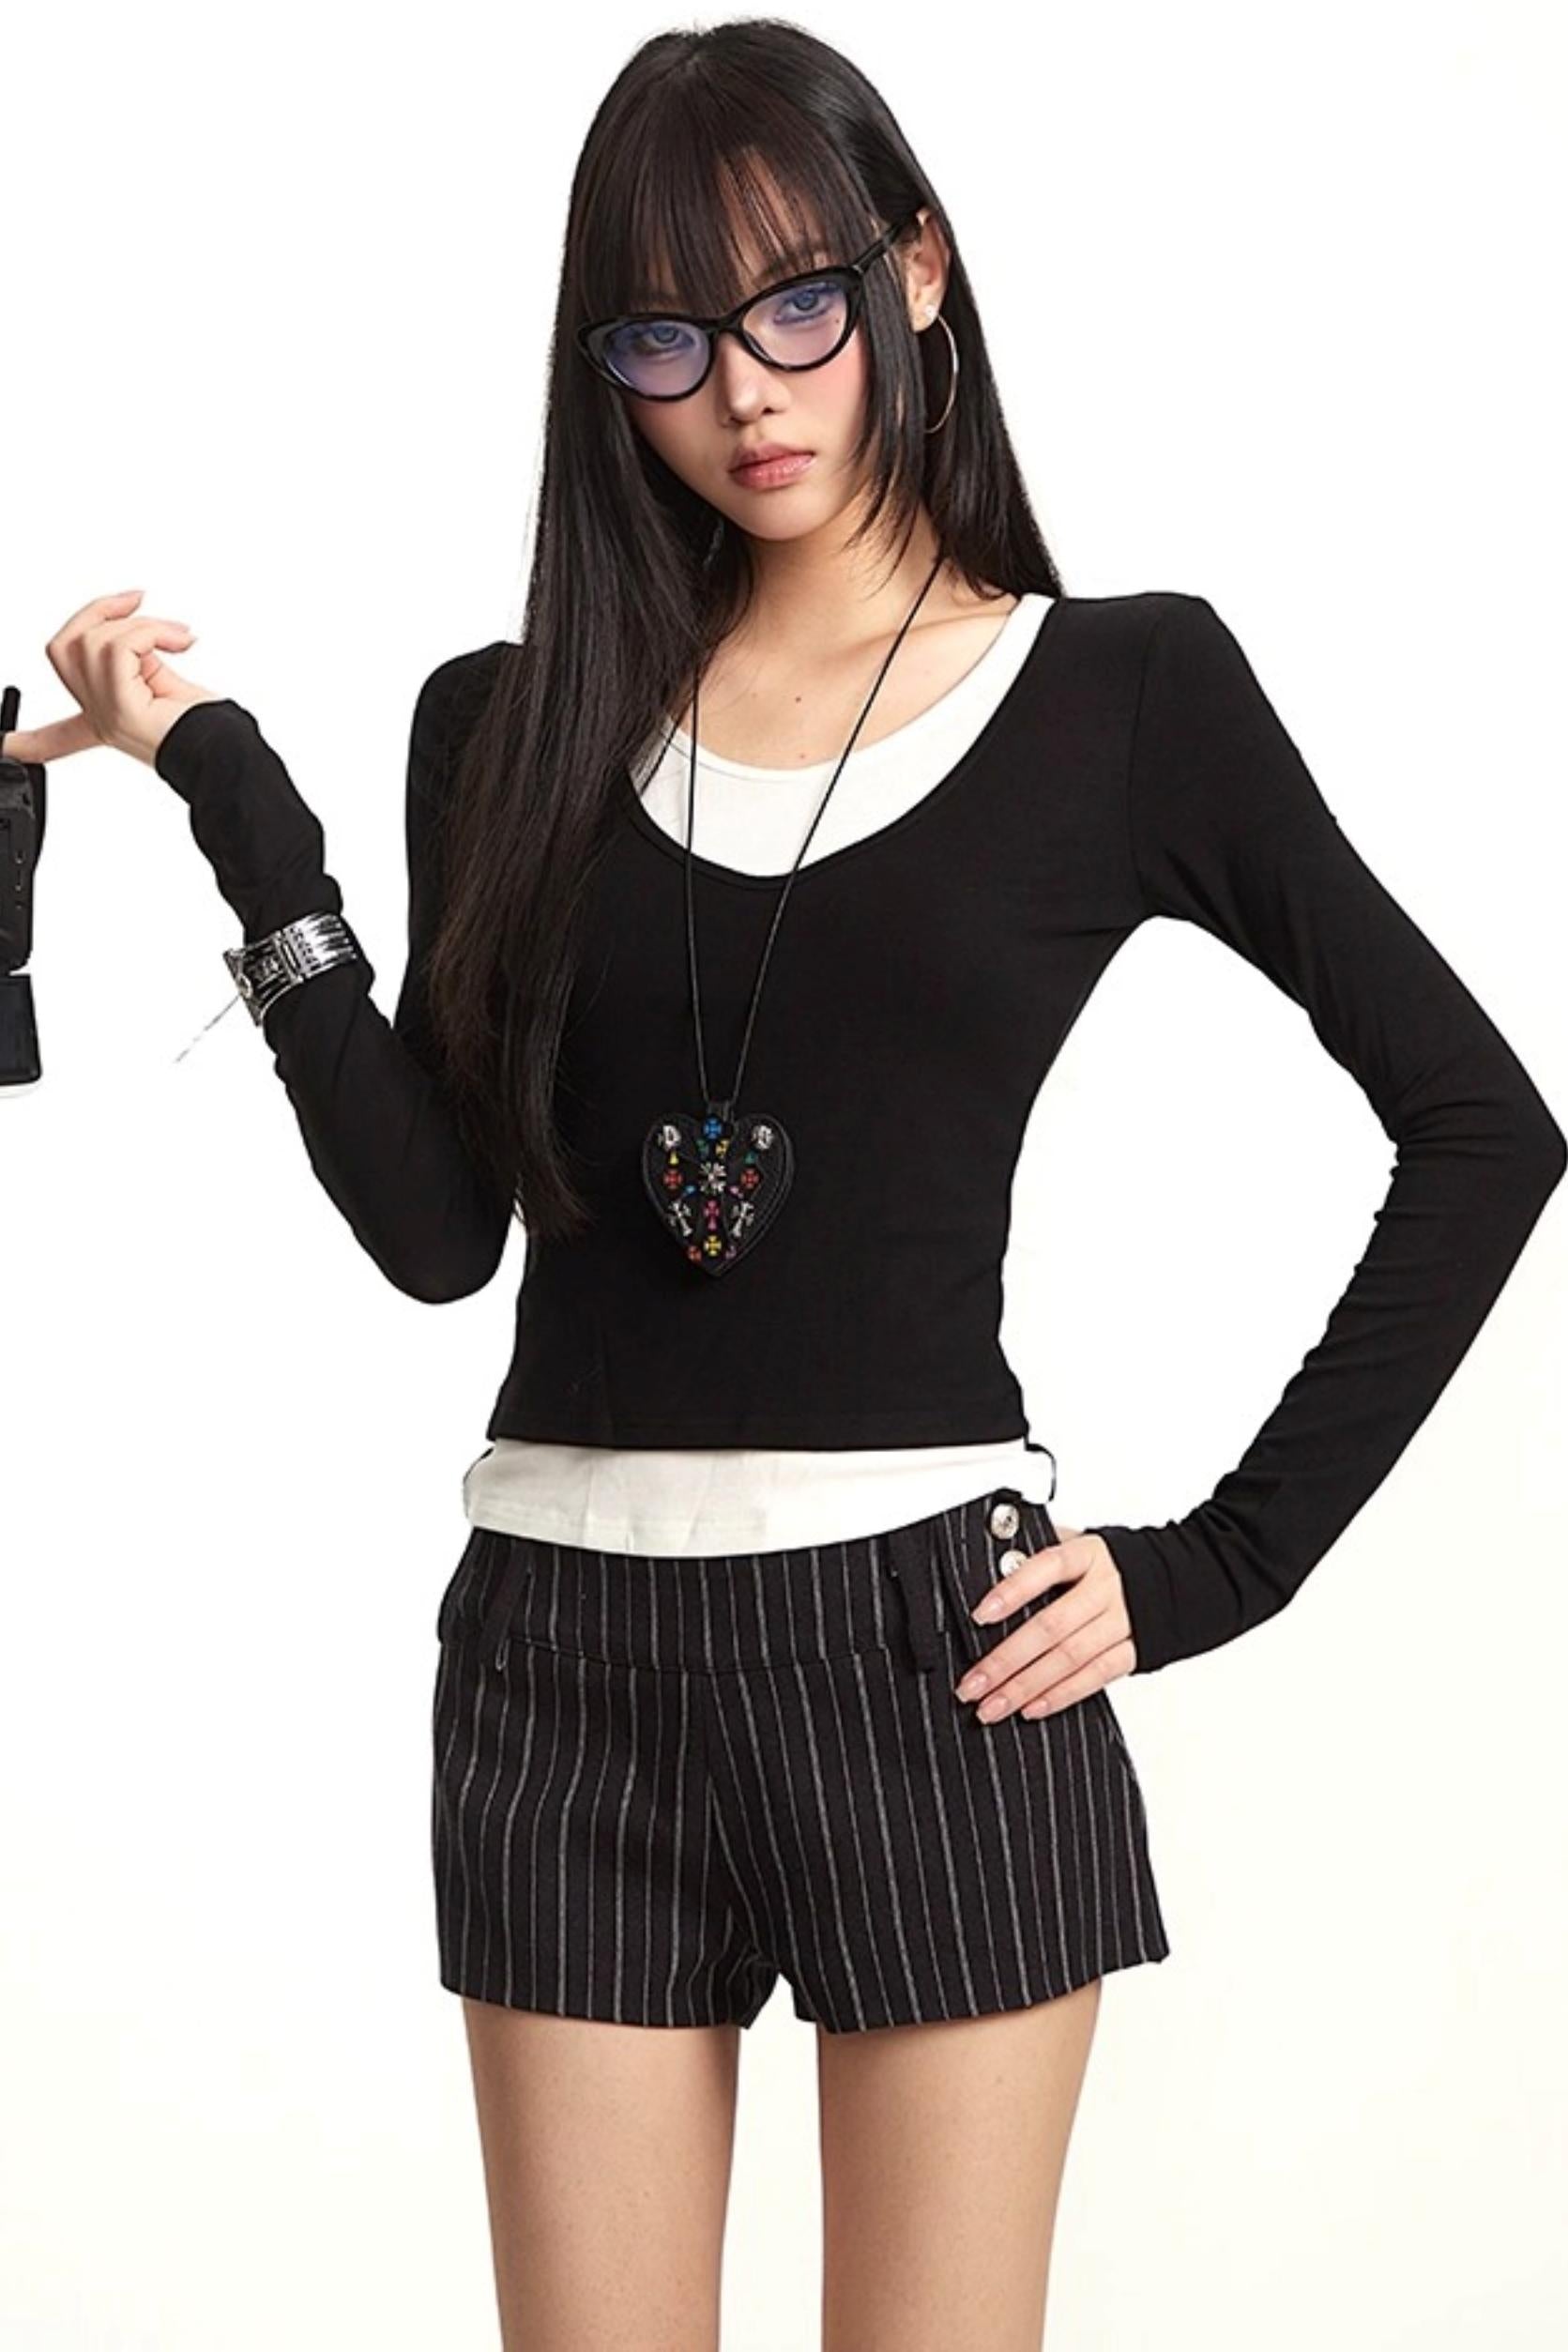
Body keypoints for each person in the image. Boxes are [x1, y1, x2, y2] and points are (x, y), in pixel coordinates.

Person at [10, 20, 1563, 2351]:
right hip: (556, 1657)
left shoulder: (1120, 693)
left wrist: (1214, 1566)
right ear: (601, 372)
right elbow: (440, 1237)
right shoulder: (504, 721)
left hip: (932, 1662)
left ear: (912, 273)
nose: (743, 391)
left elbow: (1479, 1120)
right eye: (663, 339)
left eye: (795, 307)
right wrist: (233, 799)